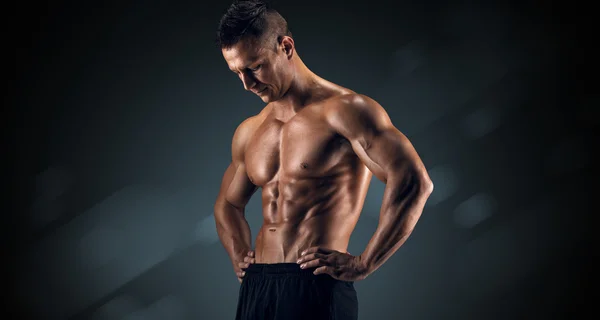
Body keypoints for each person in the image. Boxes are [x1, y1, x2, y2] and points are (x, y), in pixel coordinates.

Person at [213, 1, 433, 319]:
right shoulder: (251, 130)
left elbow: (414, 181)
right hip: (258, 287)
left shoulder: (346, 111)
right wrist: (238, 252)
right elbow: (227, 205)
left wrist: (365, 261)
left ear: (285, 46)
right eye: (237, 73)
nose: (247, 84)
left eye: (255, 67)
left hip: (314, 285)